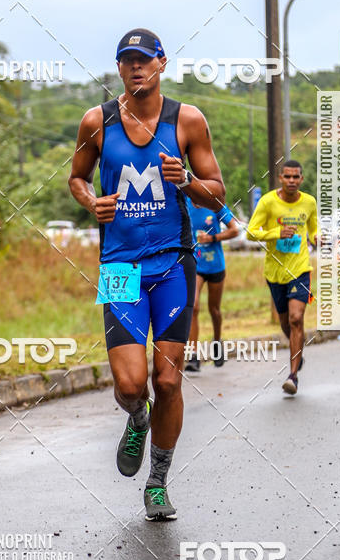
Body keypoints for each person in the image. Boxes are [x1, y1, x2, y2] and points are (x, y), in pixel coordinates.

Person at [68, 28, 225, 520]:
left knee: (169, 381)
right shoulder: (97, 121)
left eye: (144, 58)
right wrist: (91, 202)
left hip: (174, 263)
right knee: (132, 383)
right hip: (119, 267)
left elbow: (217, 193)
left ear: (162, 62)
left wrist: (188, 181)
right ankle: (138, 416)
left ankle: (157, 481)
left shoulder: (187, 120)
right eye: (127, 60)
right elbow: (76, 177)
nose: (136, 67)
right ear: (119, 68)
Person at [246, 160, 318, 395]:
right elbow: (250, 233)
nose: (292, 181)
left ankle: (293, 376)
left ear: (302, 179)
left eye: (296, 177)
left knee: (297, 319)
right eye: (287, 176)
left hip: (300, 269)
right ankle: (298, 352)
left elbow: (313, 228)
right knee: (286, 323)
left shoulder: (309, 202)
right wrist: (277, 233)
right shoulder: (268, 202)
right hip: (275, 272)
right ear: (280, 178)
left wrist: (318, 237)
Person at [185, 198, 238, 371]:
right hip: (196, 264)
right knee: (193, 307)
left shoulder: (215, 203)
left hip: (215, 265)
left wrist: (212, 238)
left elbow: (234, 230)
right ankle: (193, 355)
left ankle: (217, 342)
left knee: (214, 310)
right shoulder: (184, 201)